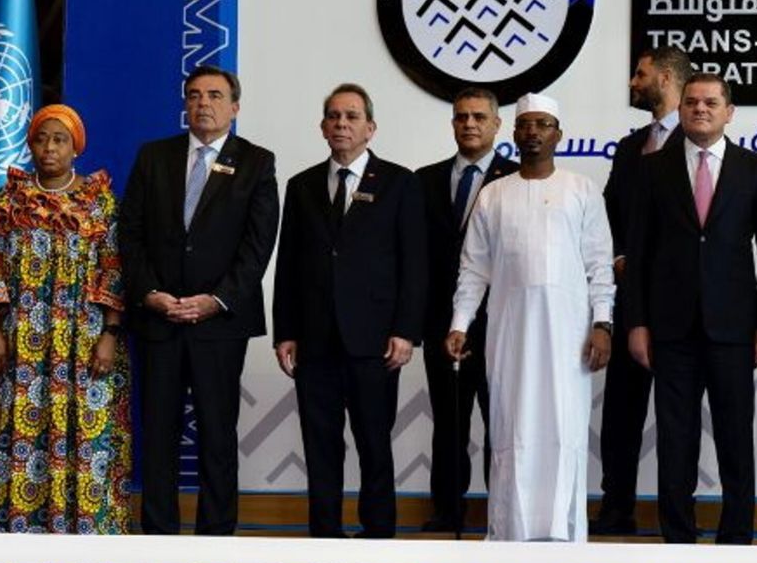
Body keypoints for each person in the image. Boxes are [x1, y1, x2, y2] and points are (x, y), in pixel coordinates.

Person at [0, 105, 131, 533]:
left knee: (85, 435)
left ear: (75, 147)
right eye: (41, 139)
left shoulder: (99, 200)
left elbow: (116, 270)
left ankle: (82, 529)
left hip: (84, 342)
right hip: (21, 341)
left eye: (59, 139)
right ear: (29, 145)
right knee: (18, 432)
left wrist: (109, 334)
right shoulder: (9, 200)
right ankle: (17, 528)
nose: (49, 148)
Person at [621, 72, 757, 545]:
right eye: (691, 101)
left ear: (729, 112)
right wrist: (636, 324)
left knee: (735, 438)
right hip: (670, 330)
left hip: (735, 329)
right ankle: (678, 540)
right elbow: (638, 253)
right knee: (676, 440)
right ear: (680, 110)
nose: (700, 109)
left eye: (711, 102)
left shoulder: (755, 168)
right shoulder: (653, 169)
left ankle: (737, 539)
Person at [447, 93, 614, 542]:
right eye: (527, 125)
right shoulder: (493, 195)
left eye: (543, 124)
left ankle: (562, 533)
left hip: (569, 336)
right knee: (512, 428)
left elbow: (599, 266)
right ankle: (510, 532)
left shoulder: (582, 190)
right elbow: (474, 269)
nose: (534, 132)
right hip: (510, 334)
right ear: (514, 133)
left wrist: (602, 324)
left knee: (564, 428)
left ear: (558, 134)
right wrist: (460, 324)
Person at [119, 66, 278, 536]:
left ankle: (217, 538)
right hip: (159, 319)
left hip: (219, 325)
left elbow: (258, 246)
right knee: (158, 435)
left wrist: (217, 299)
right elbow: (129, 234)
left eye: (214, 95)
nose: (203, 103)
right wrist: (149, 293)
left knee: (217, 435)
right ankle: (159, 538)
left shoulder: (257, 162)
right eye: (194, 95)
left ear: (235, 107)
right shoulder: (154, 156)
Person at [273, 83, 425, 539]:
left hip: (374, 342)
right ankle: (325, 536)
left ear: (370, 128)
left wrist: (406, 331)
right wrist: (285, 331)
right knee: (320, 446)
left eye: (352, 116)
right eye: (334, 116)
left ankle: (378, 534)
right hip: (315, 341)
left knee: (374, 444)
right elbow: (288, 264)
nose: (342, 124)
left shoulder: (399, 183)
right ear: (323, 127)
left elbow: (414, 264)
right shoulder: (301, 185)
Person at [593, 47, 690, 535]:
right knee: (621, 413)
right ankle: (617, 508)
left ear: (666, 77)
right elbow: (609, 212)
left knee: (678, 416)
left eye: (640, 74)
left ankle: (678, 515)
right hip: (631, 299)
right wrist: (616, 257)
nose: (633, 82)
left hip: (683, 302)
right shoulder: (631, 147)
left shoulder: (700, 140)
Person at [417, 88, 517, 533]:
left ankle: (503, 513)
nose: (470, 124)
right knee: (449, 425)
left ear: (497, 124)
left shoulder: (518, 179)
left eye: (479, 117)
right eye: (461, 117)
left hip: (502, 326)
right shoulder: (424, 179)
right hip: (443, 324)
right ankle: (447, 512)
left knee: (503, 426)